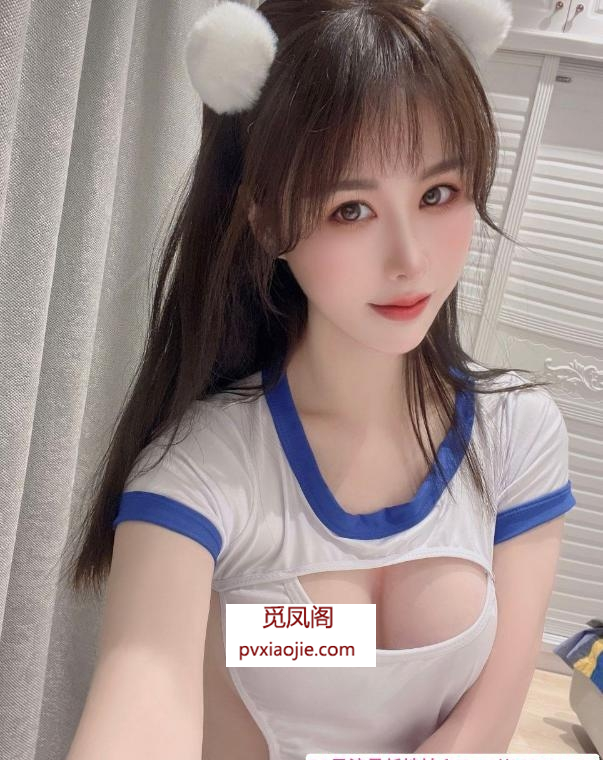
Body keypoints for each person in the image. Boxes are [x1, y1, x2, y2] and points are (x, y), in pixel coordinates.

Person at [63, 1, 577, 758]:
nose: (409, 258)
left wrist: (294, 629)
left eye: (437, 194)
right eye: (350, 209)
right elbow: (146, 692)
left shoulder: (517, 434)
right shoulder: (199, 473)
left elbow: (489, 715)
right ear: (268, 221)